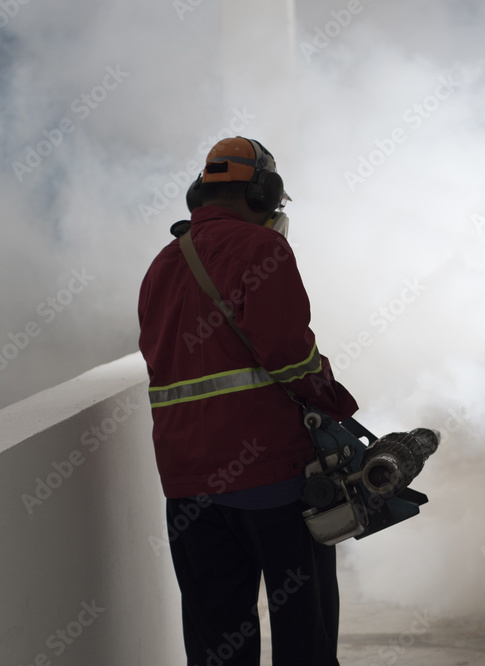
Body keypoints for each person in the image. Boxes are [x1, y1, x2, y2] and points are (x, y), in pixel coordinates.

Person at [137, 136, 356, 666]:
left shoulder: (161, 265)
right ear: (262, 193)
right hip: (272, 479)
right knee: (305, 627)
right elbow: (290, 358)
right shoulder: (263, 250)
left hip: (189, 485)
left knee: (217, 638)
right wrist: (334, 401)